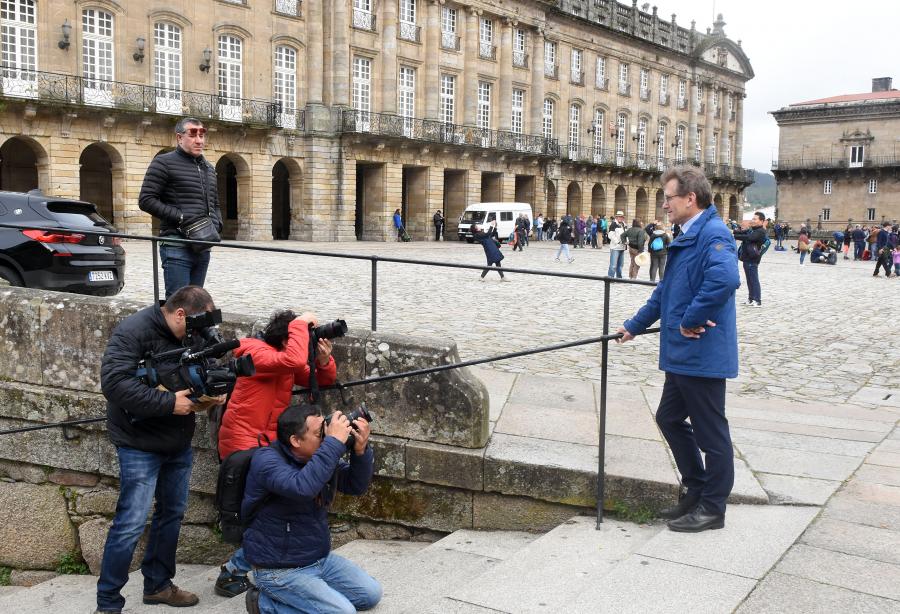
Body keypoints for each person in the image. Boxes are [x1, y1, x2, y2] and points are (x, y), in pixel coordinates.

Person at [617, 166, 739, 533]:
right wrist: (634, 325)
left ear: (691, 198)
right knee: (669, 418)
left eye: (669, 197)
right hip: (682, 355)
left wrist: (690, 318)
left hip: (700, 352)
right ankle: (696, 489)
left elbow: (726, 279)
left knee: (711, 433)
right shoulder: (687, 234)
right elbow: (665, 291)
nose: (664, 204)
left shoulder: (712, 233)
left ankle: (713, 508)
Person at [96, 286, 226, 613]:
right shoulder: (133, 331)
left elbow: (205, 365)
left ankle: (158, 586)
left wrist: (215, 388)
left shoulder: (192, 332)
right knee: (130, 523)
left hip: (177, 441)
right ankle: (108, 603)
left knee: (172, 515)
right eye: (195, 325)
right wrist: (169, 403)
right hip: (138, 442)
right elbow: (114, 383)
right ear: (180, 313)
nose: (199, 333)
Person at [214, 309, 338, 597]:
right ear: (288, 335)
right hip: (242, 444)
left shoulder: (283, 361)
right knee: (266, 515)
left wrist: (322, 359)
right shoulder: (254, 351)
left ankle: (241, 569)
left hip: (267, 445)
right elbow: (293, 359)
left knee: (273, 513)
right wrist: (300, 324)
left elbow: (319, 379)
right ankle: (234, 570)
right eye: (301, 335)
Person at [242, 404, 381, 614]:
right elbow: (302, 487)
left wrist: (360, 452)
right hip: (279, 569)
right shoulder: (267, 461)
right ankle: (262, 604)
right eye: (320, 434)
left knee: (370, 595)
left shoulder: (316, 458)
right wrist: (333, 443)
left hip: (317, 558)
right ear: (296, 441)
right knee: (344, 612)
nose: (326, 437)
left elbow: (355, 485)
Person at [139, 117, 223, 299]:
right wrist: (181, 217)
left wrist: (217, 225)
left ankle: (194, 329)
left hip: (202, 245)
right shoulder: (163, 162)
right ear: (179, 138)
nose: (199, 140)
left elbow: (215, 203)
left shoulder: (208, 168)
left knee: (196, 303)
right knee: (177, 304)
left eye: (202, 134)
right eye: (193, 134)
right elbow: (146, 199)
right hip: (176, 245)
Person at [733, 212, 767, 307]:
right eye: (753, 218)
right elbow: (743, 233)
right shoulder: (753, 229)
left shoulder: (760, 231)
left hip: (753, 259)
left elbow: (749, 238)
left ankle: (757, 300)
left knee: (754, 279)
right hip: (747, 258)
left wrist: (734, 236)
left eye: (755, 219)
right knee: (749, 279)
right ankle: (751, 298)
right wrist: (732, 232)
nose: (753, 220)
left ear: (761, 221)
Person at [607, 211, 627, 278]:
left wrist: (627, 241)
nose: (620, 218)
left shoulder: (624, 224)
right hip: (615, 247)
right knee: (613, 265)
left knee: (620, 265)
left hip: (622, 247)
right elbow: (610, 235)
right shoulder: (613, 224)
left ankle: (619, 277)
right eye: (619, 216)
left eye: (621, 217)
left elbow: (625, 234)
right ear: (616, 217)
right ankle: (610, 278)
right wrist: (617, 242)